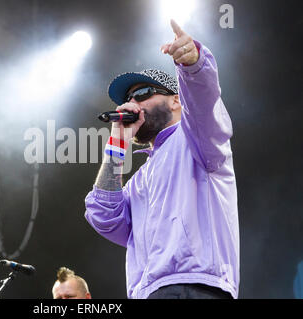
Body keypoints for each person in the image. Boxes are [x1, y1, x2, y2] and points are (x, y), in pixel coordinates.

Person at [84, 20, 239, 299]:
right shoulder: (140, 179)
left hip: (195, 287)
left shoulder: (198, 139)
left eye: (142, 93)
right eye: (129, 98)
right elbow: (104, 216)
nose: (132, 103)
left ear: (176, 101)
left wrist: (193, 67)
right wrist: (117, 141)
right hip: (148, 293)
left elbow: (204, 104)